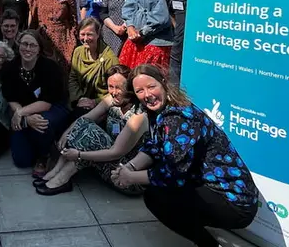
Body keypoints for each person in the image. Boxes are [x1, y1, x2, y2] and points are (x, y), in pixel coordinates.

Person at [111, 65, 259, 247]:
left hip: (235, 203)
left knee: (157, 197)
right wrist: (129, 168)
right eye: (139, 90)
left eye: (151, 86)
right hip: (211, 187)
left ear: (163, 84)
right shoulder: (160, 112)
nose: (147, 94)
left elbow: (172, 174)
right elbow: (154, 146)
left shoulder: (178, 117)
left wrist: (131, 177)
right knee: (159, 191)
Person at [36, 64, 147, 196]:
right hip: (106, 161)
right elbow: (86, 118)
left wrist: (78, 154)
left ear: (129, 88)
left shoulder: (139, 115)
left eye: (119, 88)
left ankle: (62, 177)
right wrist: (66, 134)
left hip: (124, 175)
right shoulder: (112, 100)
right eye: (111, 87)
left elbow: (116, 152)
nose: (114, 92)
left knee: (92, 133)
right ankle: (57, 170)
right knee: (84, 122)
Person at [1, 30, 70, 176]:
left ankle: (43, 156)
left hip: (52, 107)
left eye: (33, 45)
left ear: (39, 49)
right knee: (22, 161)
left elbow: (47, 103)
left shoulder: (50, 68)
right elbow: (10, 98)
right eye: (25, 44)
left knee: (42, 122)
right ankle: (42, 144)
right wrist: (25, 117)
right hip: (24, 110)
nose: (28, 48)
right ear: (19, 45)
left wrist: (20, 114)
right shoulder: (9, 68)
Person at [28, 0, 78, 70]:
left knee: (64, 71)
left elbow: (73, 19)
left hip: (64, 39)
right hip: (44, 39)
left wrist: (73, 38)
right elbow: (33, 20)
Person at [69, 18, 118, 114]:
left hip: (102, 104)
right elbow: (73, 78)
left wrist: (94, 102)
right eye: (82, 34)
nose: (85, 39)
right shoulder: (78, 52)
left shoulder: (109, 59)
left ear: (98, 34)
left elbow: (116, 90)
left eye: (90, 34)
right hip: (80, 101)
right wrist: (79, 99)